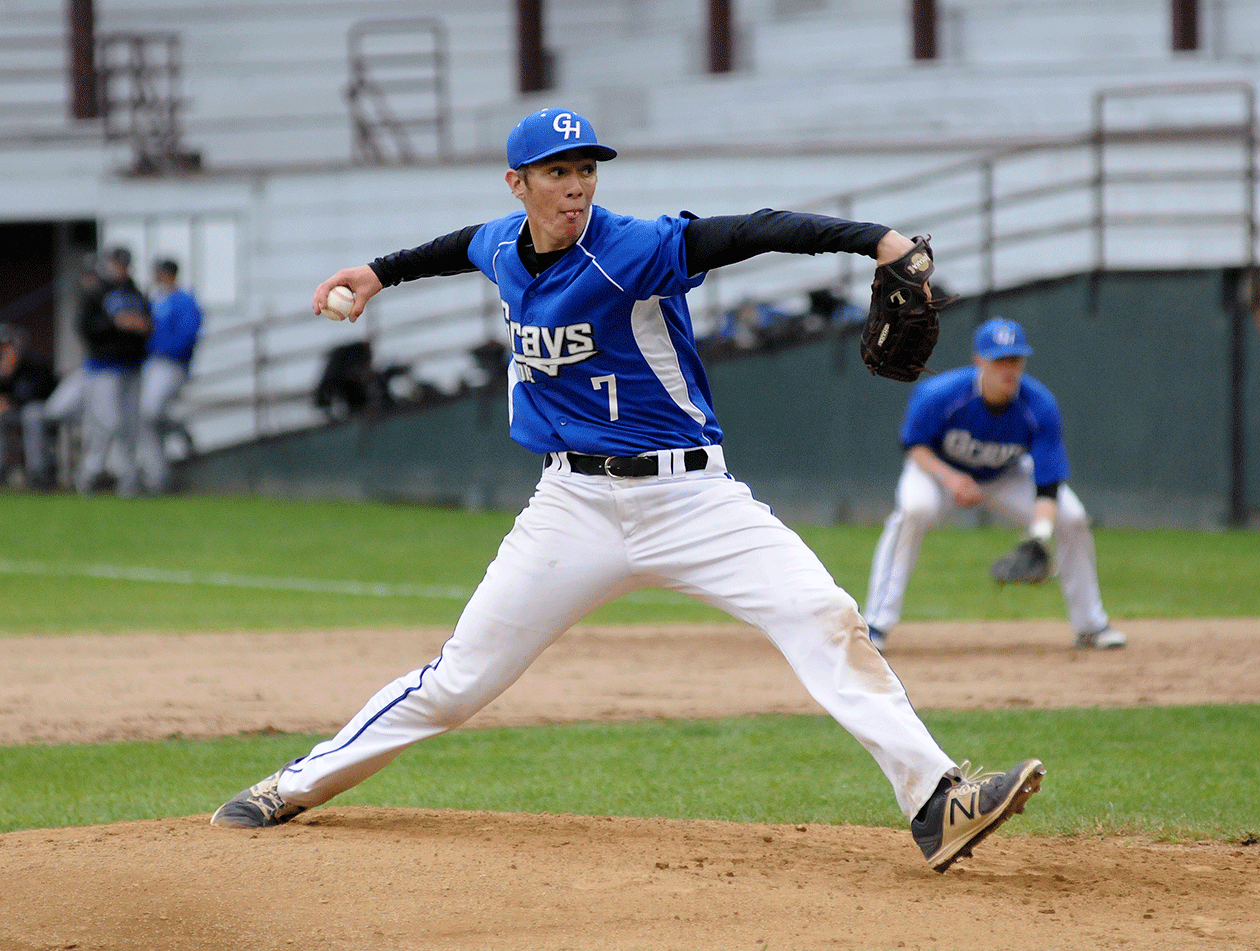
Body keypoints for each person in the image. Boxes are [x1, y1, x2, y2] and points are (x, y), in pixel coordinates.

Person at [211, 107, 1045, 873]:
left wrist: (879, 241)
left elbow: (751, 231)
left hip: (694, 500)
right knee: (458, 679)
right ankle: (297, 782)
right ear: (520, 185)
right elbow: (461, 243)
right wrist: (376, 273)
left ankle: (937, 801)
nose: (575, 186)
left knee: (824, 616)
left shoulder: (632, 247)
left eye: (586, 170)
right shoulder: (504, 243)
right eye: (556, 172)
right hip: (571, 509)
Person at [864, 317, 1127, 652]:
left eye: (1015, 360)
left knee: (1072, 519)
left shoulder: (1039, 405)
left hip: (1005, 476)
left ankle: (1091, 626)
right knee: (914, 511)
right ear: (979, 360)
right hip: (938, 472)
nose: (1009, 369)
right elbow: (913, 444)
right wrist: (951, 478)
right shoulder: (940, 393)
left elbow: (1048, 483)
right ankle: (875, 624)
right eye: (999, 360)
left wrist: (1039, 534)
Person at [76, 246, 151, 496]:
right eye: (115, 263)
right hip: (103, 368)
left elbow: (148, 325)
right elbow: (85, 328)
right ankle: (90, 472)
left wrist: (140, 327)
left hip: (132, 365)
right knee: (109, 423)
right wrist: (116, 324)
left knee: (130, 426)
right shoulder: (96, 293)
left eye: (123, 264)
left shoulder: (137, 294)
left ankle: (128, 481)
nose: (119, 268)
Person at [137, 258, 202, 494]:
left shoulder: (185, 300)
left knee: (150, 412)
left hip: (171, 364)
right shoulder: (154, 301)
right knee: (145, 419)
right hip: (150, 364)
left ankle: (178, 429)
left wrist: (161, 347)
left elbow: (187, 337)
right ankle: (157, 477)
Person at [0, 323, 59, 490]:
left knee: (31, 414)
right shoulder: (3, 366)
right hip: (15, 411)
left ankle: (38, 473)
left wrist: (9, 397)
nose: (5, 351)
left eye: (8, 346)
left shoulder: (36, 361)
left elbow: (32, 394)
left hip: (44, 410)